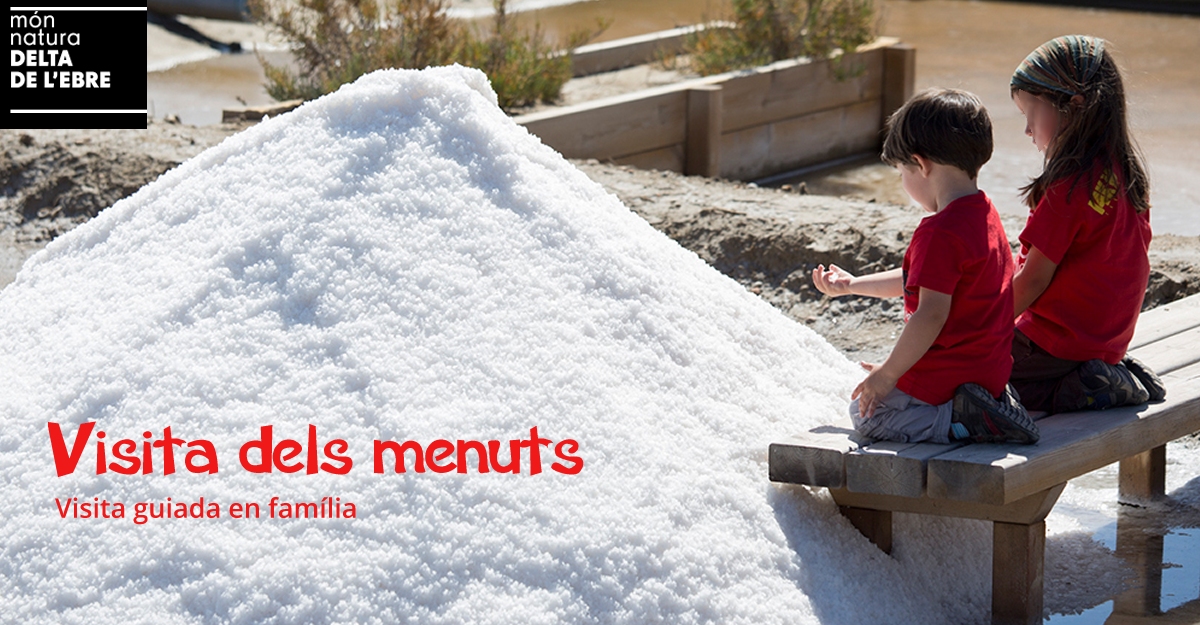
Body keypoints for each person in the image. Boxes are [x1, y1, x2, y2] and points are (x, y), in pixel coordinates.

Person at [812, 88, 1038, 445]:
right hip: (988, 373)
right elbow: (916, 279)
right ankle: (984, 407)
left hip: (947, 379)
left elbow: (930, 315)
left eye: (901, 171)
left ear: (920, 164)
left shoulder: (939, 232)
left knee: (867, 415)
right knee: (887, 383)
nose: (903, 181)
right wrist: (853, 284)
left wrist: (888, 375)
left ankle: (963, 421)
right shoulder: (984, 214)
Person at [1008, 35, 1165, 414]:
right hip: (1106, 340)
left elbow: (1032, 281)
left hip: (1056, 342)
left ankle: (1079, 387)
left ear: (1074, 107)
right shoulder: (1123, 172)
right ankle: (1102, 375)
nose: (1027, 130)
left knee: (964, 371)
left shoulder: (1068, 187)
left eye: (1031, 114)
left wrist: (981, 328)